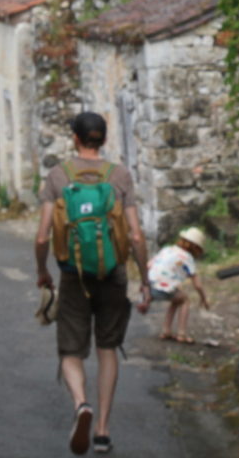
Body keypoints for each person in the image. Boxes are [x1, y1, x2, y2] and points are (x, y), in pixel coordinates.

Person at [35, 111, 149, 455]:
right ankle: (101, 430)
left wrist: (43, 272)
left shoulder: (58, 177)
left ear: (75, 138)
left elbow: (42, 236)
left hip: (73, 274)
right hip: (113, 273)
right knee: (107, 347)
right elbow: (136, 234)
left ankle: (81, 404)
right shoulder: (119, 176)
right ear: (104, 138)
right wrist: (144, 278)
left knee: (70, 349)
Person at [141, 226, 210, 344]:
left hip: (149, 286)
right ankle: (181, 334)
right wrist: (204, 298)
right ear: (196, 248)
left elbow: (148, 265)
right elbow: (197, 285)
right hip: (162, 288)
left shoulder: (167, 249)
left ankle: (166, 331)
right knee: (185, 300)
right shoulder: (188, 258)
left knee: (177, 299)